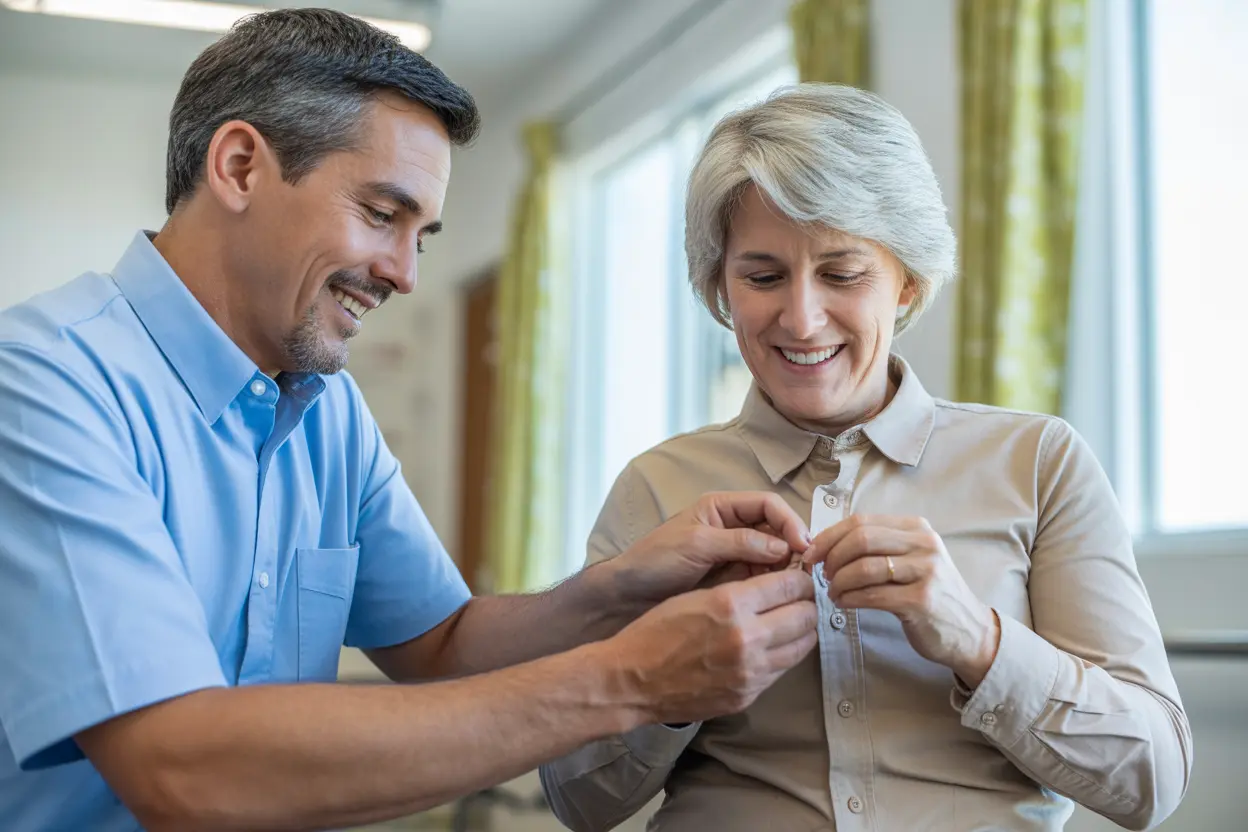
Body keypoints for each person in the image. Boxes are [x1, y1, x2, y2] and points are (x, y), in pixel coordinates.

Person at [0, 10, 825, 831]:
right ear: (242, 166)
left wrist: (620, 591)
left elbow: (442, 645)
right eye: (381, 214)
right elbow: (179, 768)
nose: (404, 274)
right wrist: (632, 679)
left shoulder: (328, 414)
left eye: (421, 237)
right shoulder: (41, 386)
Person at [540, 84, 1193, 832]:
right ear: (719, 288)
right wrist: (673, 677)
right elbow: (578, 801)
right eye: (761, 276)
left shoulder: (1039, 462)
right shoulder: (657, 489)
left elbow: (1152, 781)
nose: (801, 316)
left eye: (843, 274)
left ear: (908, 281)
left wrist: (977, 639)